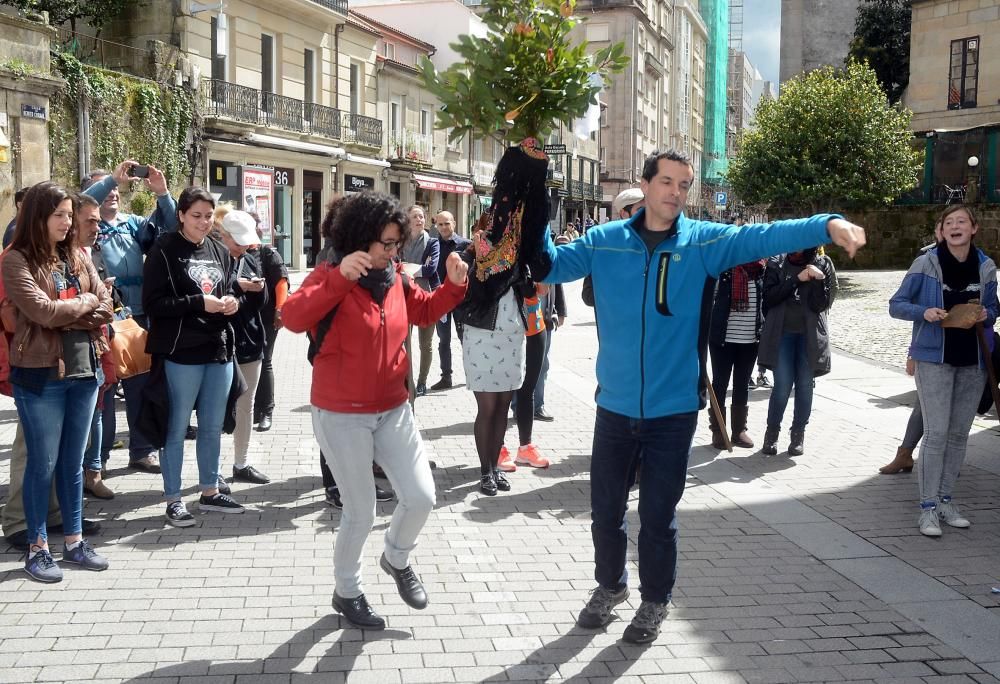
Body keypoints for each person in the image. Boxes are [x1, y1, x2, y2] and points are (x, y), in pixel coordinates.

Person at [538, 149, 866, 644]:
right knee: (605, 511)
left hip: (673, 412)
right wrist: (538, 201)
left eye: (683, 184)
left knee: (657, 516)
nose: (675, 192)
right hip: (614, 407)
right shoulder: (604, 242)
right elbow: (547, 265)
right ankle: (610, 586)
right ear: (644, 185)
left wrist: (827, 225)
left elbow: (765, 235)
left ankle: (655, 600)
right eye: (666, 181)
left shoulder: (701, 243)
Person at [282, 191, 468, 630]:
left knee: (422, 497)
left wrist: (454, 286)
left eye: (396, 243)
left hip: (393, 408)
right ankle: (347, 592)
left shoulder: (398, 278)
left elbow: (424, 312)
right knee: (360, 511)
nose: (392, 251)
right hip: (341, 413)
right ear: (362, 238)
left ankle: (396, 558)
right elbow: (291, 317)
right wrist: (337, 280)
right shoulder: (331, 273)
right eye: (386, 243)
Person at [2, 181, 114, 582]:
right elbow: (42, 311)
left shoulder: (78, 255)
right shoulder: (16, 260)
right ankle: (37, 548)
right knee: (42, 464)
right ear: (38, 216)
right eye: (60, 215)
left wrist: (77, 307)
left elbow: (106, 305)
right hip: (40, 374)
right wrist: (82, 305)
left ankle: (74, 542)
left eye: (70, 215)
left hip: (84, 371)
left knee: (72, 464)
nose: (68, 223)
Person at [889, 204, 996, 536]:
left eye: (961, 221)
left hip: (973, 361)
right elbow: (897, 304)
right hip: (934, 359)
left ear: (974, 228)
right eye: (949, 222)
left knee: (958, 435)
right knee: (935, 435)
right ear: (942, 230)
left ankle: (947, 500)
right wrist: (925, 312)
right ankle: (928, 508)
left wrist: (985, 315)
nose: (955, 226)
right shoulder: (925, 263)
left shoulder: (986, 266)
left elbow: (993, 307)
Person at [142, 187, 245, 527]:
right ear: (181, 215)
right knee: (176, 427)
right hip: (181, 352)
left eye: (207, 216)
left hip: (218, 349)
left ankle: (210, 491)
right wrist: (197, 303)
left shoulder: (218, 249)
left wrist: (233, 303)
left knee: (213, 427)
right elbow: (153, 305)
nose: (203, 222)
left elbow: (229, 289)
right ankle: (173, 499)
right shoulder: (164, 249)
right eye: (196, 215)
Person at [83, 160, 178, 474]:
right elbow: (80, 205)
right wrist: (111, 178)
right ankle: (100, 460)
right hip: (102, 318)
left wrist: (162, 193)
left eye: (115, 189)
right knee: (105, 392)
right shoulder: (86, 230)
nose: (113, 193)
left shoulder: (133, 223)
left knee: (140, 386)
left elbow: (171, 226)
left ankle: (141, 450)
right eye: (106, 188)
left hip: (136, 316)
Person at [757, 247, 837, 456]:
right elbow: (769, 298)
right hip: (782, 333)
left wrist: (818, 280)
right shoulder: (777, 262)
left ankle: (798, 435)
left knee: (804, 385)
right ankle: (772, 434)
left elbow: (821, 305)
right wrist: (797, 279)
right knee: (782, 385)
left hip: (809, 336)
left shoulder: (822, 263)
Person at [216, 209, 271, 485]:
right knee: (214, 408)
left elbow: (262, 302)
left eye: (244, 242)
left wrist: (258, 289)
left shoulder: (250, 259)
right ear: (222, 235)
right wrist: (239, 288)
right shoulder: (212, 258)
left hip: (250, 342)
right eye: (236, 241)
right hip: (219, 344)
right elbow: (212, 296)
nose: (241, 247)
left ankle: (242, 463)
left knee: (246, 405)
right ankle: (211, 472)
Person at [75, 194, 117, 499]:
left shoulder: (91, 254)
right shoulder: (23, 258)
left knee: (98, 413)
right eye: (90, 220)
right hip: (60, 362)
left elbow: (107, 305)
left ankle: (93, 472)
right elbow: (44, 312)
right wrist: (89, 303)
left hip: (96, 348)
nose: (97, 226)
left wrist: (92, 303)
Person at [708, 257, 767, 449]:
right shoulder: (723, 268)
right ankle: (718, 431)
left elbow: (766, 301)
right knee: (720, 384)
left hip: (750, 339)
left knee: (742, 384)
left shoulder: (760, 270)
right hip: (723, 338)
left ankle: (739, 431)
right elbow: (709, 299)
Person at [250, 213, 289, 433]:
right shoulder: (238, 252)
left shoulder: (268, 253)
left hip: (266, 317)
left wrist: (280, 310)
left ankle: (266, 410)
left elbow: (281, 282)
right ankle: (250, 409)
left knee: (264, 360)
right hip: (244, 318)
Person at [401, 205, 440, 397]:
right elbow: (395, 266)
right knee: (403, 342)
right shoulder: (400, 242)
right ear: (408, 220)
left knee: (426, 344)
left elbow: (431, 269)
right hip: (403, 298)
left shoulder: (432, 242)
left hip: (426, 298)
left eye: (422, 216)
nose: (419, 219)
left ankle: (422, 381)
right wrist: (417, 268)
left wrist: (407, 268)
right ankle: (407, 380)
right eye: (415, 216)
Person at [583, 188, 644, 308]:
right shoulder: (604, 246)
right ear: (623, 213)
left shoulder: (658, 243)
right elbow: (588, 295)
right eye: (640, 210)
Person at [429, 210, 470, 390]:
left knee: (465, 339)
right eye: (440, 224)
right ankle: (446, 377)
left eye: (447, 223)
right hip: (441, 301)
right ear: (436, 226)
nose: (444, 227)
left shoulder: (466, 245)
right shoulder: (432, 245)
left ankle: (472, 374)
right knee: (443, 340)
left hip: (462, 302)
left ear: (454, 223)